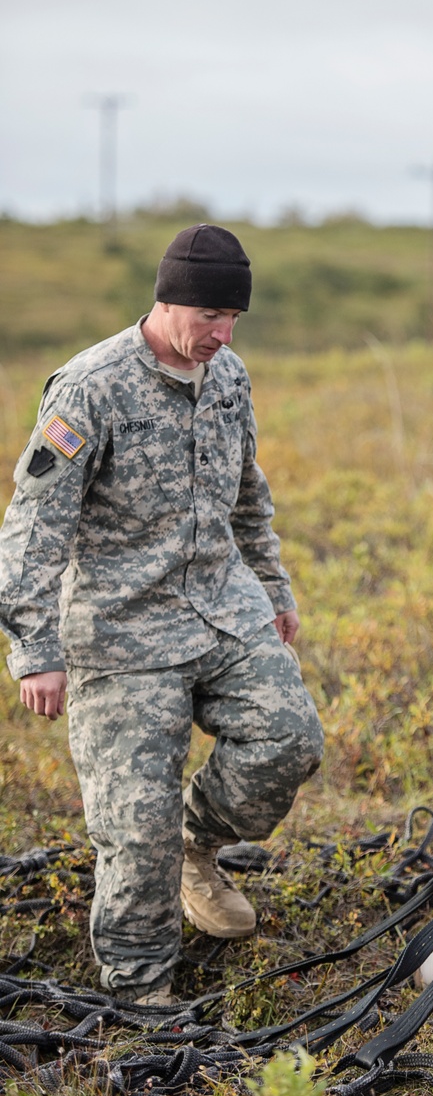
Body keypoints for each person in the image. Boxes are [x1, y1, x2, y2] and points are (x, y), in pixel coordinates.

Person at [0, 224, 324, 1004]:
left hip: (220, 606)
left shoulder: (229, 376)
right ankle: (141, 992)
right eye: (210, 315)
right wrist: (34, 648)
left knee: (290, 738)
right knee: (132, 826)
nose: (223, 333)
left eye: (234, 319)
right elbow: (34, 524)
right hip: (120, 630)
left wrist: (273, 590)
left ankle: (197, 844)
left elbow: (249, 495)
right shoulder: (91, 387)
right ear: (168, 298)